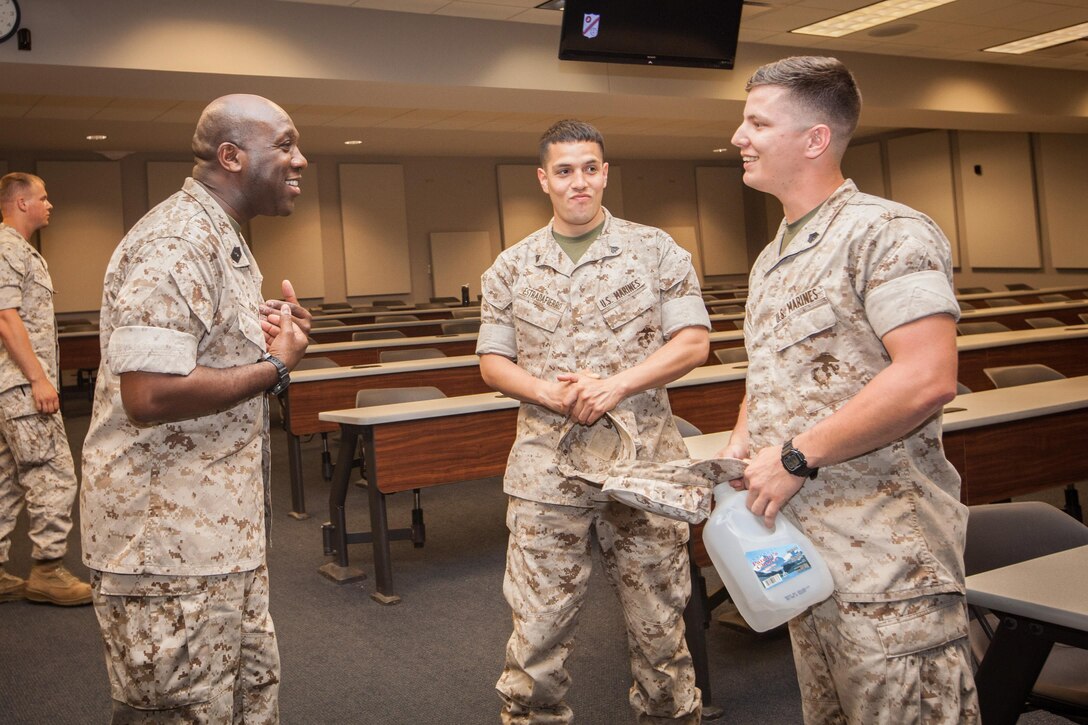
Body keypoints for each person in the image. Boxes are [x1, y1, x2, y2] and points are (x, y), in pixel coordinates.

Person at [720, 56, 979, 723]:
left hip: (889, 566)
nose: (737, 137)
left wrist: (797, 455)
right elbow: (773, 370)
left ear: (814, 139)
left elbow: (927, 376)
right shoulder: (773, 256)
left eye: (756, 122)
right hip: (804, 555)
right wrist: (743, 439)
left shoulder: (886, 233)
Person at [79, 94, 311, 723]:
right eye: (285, 145)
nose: (301, 160)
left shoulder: (222, 237)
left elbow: (198, 350)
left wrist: (262, 335)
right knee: (180, 712)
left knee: (246, 704)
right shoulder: (178, 239)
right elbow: (149, 394)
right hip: (166, 552)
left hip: (219, 538)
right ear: (231, 157)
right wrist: (277, 366)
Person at [477, 119, 711, 724]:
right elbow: (493, 362)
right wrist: (548, 393)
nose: (578, 181)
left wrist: (617, 385)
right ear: (543, 180)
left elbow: (692, 343)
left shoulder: (657, 250)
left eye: (589, 168)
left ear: (605, 173)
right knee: (537, 630)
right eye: (564, 171)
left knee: (661, 626)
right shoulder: (511, 266)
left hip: (645, 468)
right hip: (546, 472)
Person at [0, 172, 93, 606]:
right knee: (52, 472)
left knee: (6, 480)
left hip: (10, 387)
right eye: (43, 196)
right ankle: (47, 570)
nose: (49, 203)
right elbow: (6, 317)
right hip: (20, 386)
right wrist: (39, 378)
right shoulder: (7, 248)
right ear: (21, 203)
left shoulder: (19, 250)